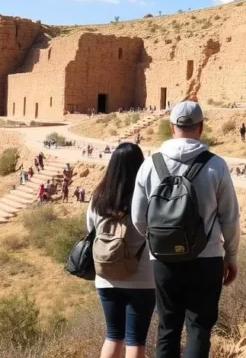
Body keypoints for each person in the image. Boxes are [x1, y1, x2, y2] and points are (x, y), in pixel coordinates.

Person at [132, 101, 240, 358]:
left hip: (163, 259)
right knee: (199, 328)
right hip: (207, 257)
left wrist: (158, 241)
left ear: (172, 127)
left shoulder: (150, 164)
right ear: (201, 127)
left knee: (167, 328)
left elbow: (138, 216)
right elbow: (230, 217)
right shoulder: (216, 165)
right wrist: (231, 255)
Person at [87, 144, 155, 358]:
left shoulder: (98, 198)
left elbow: (91, 231)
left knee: (113, 335)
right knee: (135, 339)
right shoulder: (145, 196)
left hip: (106, 276)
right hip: (142, 277)